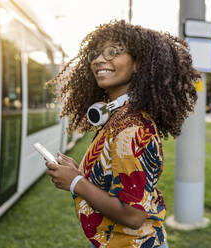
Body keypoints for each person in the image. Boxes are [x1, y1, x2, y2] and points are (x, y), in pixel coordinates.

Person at [45, 20, 200, 248]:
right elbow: (116, 179)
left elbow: (133, 216)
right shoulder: (119, 116)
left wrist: (76, 182)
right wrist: (79, 171)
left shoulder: (131, 128)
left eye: (112, 52)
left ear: (137, 63)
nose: (98, 60)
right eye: (95, 55)